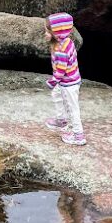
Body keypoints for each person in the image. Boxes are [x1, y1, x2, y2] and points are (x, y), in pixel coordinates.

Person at [43, 12, 86, 146]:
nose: (45, 34)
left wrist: (52, 81)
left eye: (47, 31)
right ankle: (61, 120)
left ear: (57, 33)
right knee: (56, 95)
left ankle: (78, 135)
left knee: (72, 107)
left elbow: (61, 70)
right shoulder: (67, 42)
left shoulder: (61, 49)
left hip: (68, 84)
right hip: (68, 81)